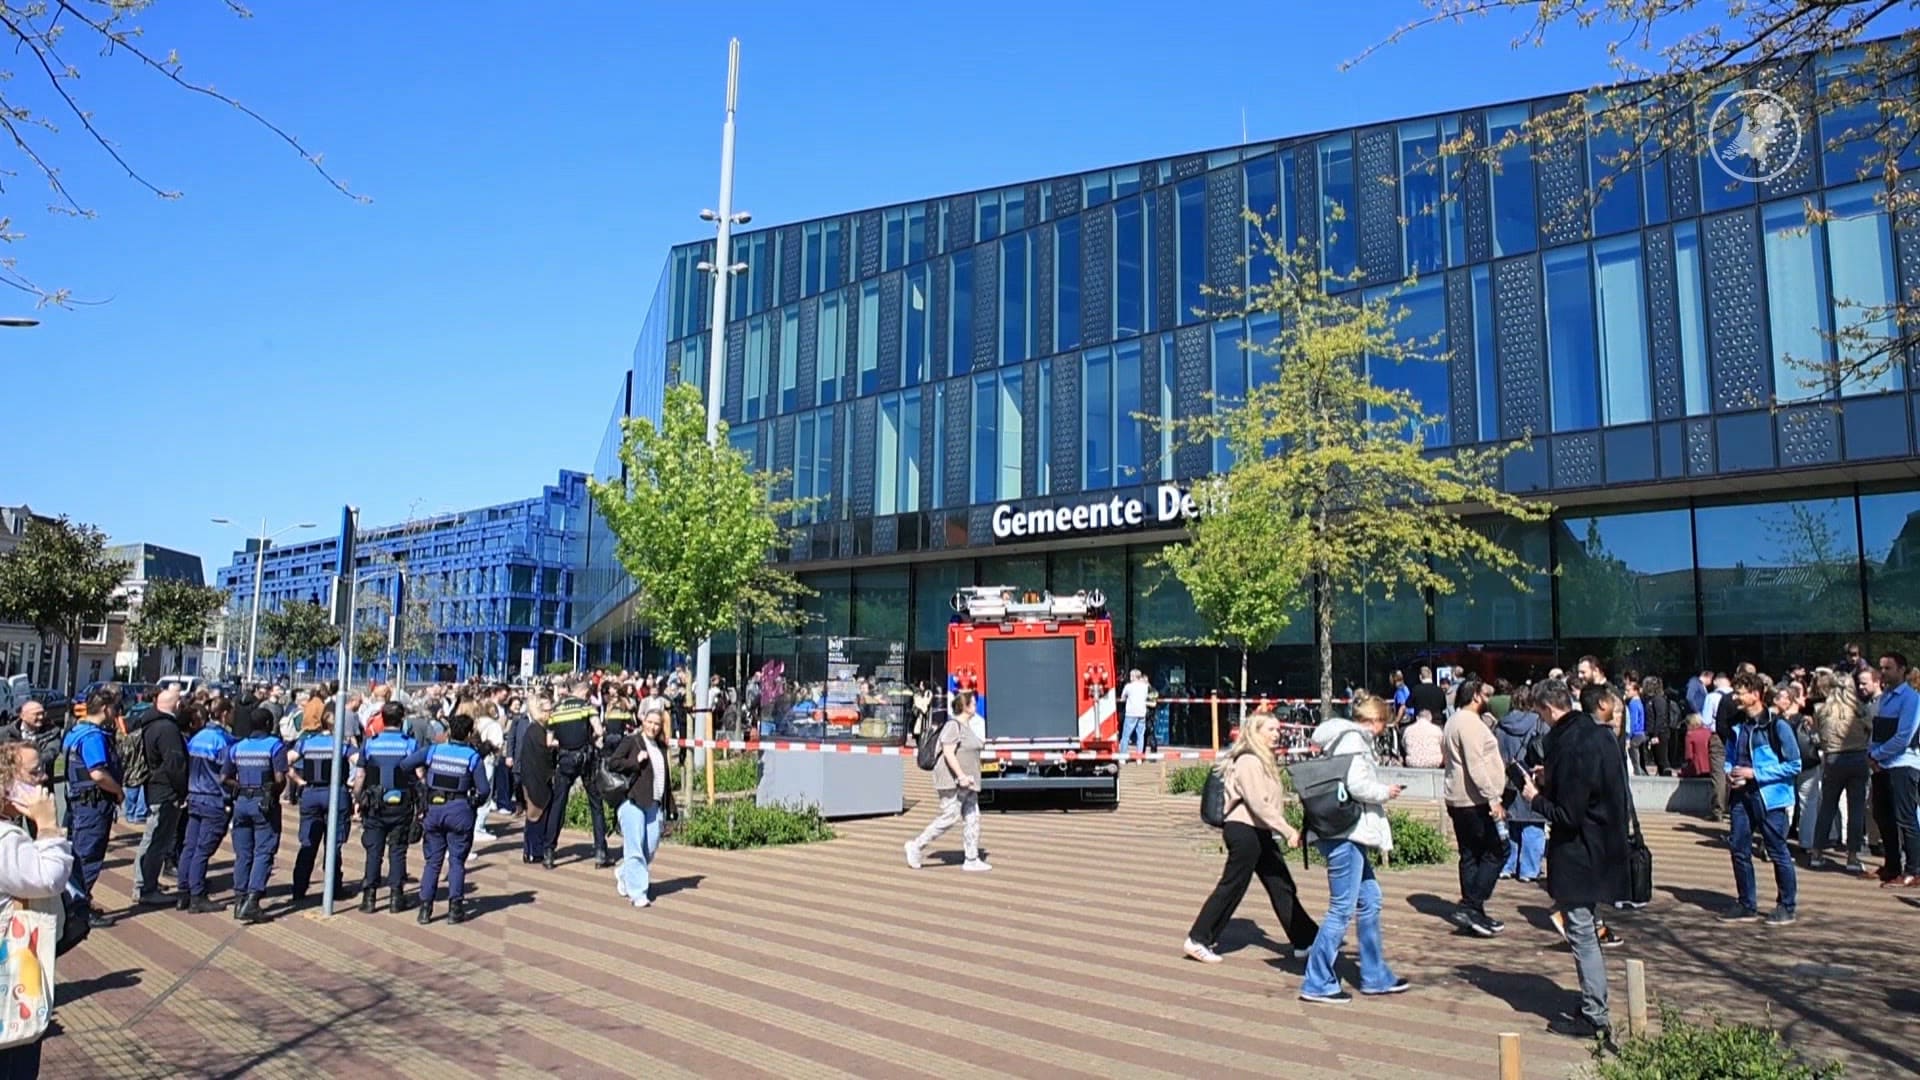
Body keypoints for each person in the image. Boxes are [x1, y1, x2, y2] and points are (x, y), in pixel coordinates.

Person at [1520, 678, 1626, 1047]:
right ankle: (1593, 1005)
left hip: (1580, 852)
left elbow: (1567, 814)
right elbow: (1593, 789)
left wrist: (1535, 797)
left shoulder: (1568, 743)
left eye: (1540, 714)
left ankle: (1595, 1013)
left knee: (1581, 932)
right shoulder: (1597, 733)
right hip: (1605, 846)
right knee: (1585, 928)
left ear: (1548, 709)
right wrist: (1553, 779)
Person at [1183, 709, 1318, 964]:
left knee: (1280, 884)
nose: (1276, 734)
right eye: (1271, 730)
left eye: (1278, 729)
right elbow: (1258, 803)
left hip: (1259, 830)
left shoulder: (1263, 759)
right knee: (1232, 885)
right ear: (1255, 733)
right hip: (1245, 830)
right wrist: (1287, 830)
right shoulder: (1249, 761)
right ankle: (1198, 938)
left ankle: (1306, 939)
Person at [1299, 696, 1408, 1004]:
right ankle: (1318, 980)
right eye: (1383, 723)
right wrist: (1385, 792)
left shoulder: (1338, 738)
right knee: (1342, 908)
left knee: (1370, 899)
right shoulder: (1354, 741)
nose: (1383, 729)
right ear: (1374, 721)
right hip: (1347, 833)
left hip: (1342, 833)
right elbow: (1357, 784)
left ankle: (1375, 975)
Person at [0, 736, 73, 1078]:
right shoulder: (5, 839)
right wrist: (47, 826)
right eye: (33, 774)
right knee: (16, 1059)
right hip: (10, 972)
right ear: (6, 782)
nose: (43, 779)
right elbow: (50, 878)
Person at [1720, 672, 1800, 924]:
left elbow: (1794, 764)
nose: (1735, 697)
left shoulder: (1777, 726)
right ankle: (1746, 903)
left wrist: (1755, 774)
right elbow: (1731, 757)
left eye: (1740, 692)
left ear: (1756, 694)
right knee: (1739, 848)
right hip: (1741, 795)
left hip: (1769, 797)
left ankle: (1786, 905)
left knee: (1777, 850)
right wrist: (1730, 773)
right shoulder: (1737, 725)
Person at [1442, 679, 1506, 936]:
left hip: (1458, 797)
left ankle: (1474, 914)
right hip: (1474, 799)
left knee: (1470, 855)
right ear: (1476, 697)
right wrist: (1493, 797)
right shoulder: (1469, 724)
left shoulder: (1453, 721)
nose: (1488, 696)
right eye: (1484, 692)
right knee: (1498, 850)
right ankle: (1471, 905)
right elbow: (1475, 764)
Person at [904, 690, 989, 872]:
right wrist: (960, 776)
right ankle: (916, 845)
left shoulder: (968, 726)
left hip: (969, 781)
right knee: (950, 816)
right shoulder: (953, 726)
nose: (976, 706)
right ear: (964, 706)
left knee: (973, 817)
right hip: (953, 781)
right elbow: (949, 753)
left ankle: (971, 858)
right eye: (973, 703)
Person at [354, 702, 427, 913]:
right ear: (402, 719)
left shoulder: (369, 744)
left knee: (373, 850)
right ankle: (396, 897)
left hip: (374, 803)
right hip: (401, 803)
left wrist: (359, 798)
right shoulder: (410, 744)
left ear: (382, 719)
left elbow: (360, 776)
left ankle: (369, 898)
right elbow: (420, 775)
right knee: (397, 850)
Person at [417, 714, 488, 925]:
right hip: (460, 810)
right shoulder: (472, 757)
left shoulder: (434, 751)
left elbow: (406, 764)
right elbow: (484, 789)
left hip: (435, 809)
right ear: (468, 734)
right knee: (456, 861)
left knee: (433, 862)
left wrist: (421, 782)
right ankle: (454, 910)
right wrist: (473, 803)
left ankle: (425, 909)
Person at [62, 687, 123, 927]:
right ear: (107, 709)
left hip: (78, 802)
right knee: (88, 856)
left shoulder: (75, 731)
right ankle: (79, 909)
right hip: (93, 804)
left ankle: (75, 903)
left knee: (77, 855)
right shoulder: (93, 736)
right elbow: (98, 773)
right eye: (115, 709)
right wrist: (117, 790)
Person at [222, 706, 289, 924]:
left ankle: (239, 899)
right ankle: (252, 901)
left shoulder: (237, 747)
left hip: (241, 802)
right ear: (269, 725)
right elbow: (280, 779)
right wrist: (272, 793)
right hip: (263, 804)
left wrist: (240, 786)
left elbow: (224, 777)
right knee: (263, 851)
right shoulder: (275, 746)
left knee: (243, 854)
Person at [606, 703, 675, 908]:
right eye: (650, 722)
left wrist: (669, 805)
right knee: (635, 846)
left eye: (657, 724)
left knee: (651, 846)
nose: (653, 727)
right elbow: (613, 763)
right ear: (642, 721)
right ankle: (638, 892)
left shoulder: (661, 746)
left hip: (654, 802)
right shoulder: (632, 741)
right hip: (632, 801)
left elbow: (665, 778)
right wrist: (635, 761)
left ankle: (624, 872)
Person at [287, 704, 356, 905]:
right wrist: (352, 783)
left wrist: (299, 781)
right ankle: (334, 887)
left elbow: (286, 761)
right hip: (335, 794)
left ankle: (299, 887)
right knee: (333, 844)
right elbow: (361, 762)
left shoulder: (307, 743)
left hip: (311, 794)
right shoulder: (341, 745)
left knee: (308, 841)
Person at [177, 701, 237, 914]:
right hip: (214, 799)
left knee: (190, 846)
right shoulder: (223, 741)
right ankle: (197, 895)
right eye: (232, 713)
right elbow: (228, 772)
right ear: (224, 714)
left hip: (194, 796)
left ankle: (183, 891)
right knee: (203, 850)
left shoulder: (196, 738)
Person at [542, 678, 605, 869]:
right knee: (595, 804)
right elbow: (599, 731)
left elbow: (549, 742)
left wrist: (564, 743)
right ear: (585, 692)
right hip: (586, 760)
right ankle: (601, 852)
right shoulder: (586, 708)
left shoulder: (556, 710)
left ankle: (549, 851)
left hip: (565, 760)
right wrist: (588, 739)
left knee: (558, 804)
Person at [1869, 651, 1920, 887]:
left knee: (1905, 818)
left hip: (1903, 764)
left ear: (1902, 670)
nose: (1884, 672)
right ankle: (1892, 866)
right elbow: (1876, 730)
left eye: (1888, 668)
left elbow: (1904, 736)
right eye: (1882, 667)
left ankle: (1914, 870)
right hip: (1882, 766)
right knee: (1882, 815)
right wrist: (1873, 757)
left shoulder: (1911, 698)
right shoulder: (1884, 697)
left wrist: (1876, 755)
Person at [1812, 670, 1870, 874]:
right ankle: (1852, 857)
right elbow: (1869, 730)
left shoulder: (1821, 710)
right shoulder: (1860, 709)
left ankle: (1817, 852)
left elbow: (1818, 734)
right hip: (1857, 757)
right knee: (1856, 809)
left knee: (1827, 806)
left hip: (1833, 758)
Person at [1495, 684, 1547, 883]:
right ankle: (1529, 870)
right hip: (1531, 778)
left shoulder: (1501, 725)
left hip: (1508, 779)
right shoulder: (1539, 723)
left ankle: (1507, 866)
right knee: (1533, 826)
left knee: (1511, 826)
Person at [518, 696, 557, 865]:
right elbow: (542, 756)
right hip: (536, 780)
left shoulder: (537, 729)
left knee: (537, 814)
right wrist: (554, 747)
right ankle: (533, 851)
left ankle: (532, 850)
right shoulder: (535, 731)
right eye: (548, 710)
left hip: (536, 778)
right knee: (536, 815)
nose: (551, 713)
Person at [1119, 670, 1151, 761]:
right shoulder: (1145, 687)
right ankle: (1139, 758)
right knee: (1140, 736)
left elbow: (1122, 698)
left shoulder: (1128, 686)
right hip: (1141, 713)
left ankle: (1122, 758)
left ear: (1133, 676)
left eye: (1130, 676)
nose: (1130, 677)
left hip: (1131, 713)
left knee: (1125, 736)